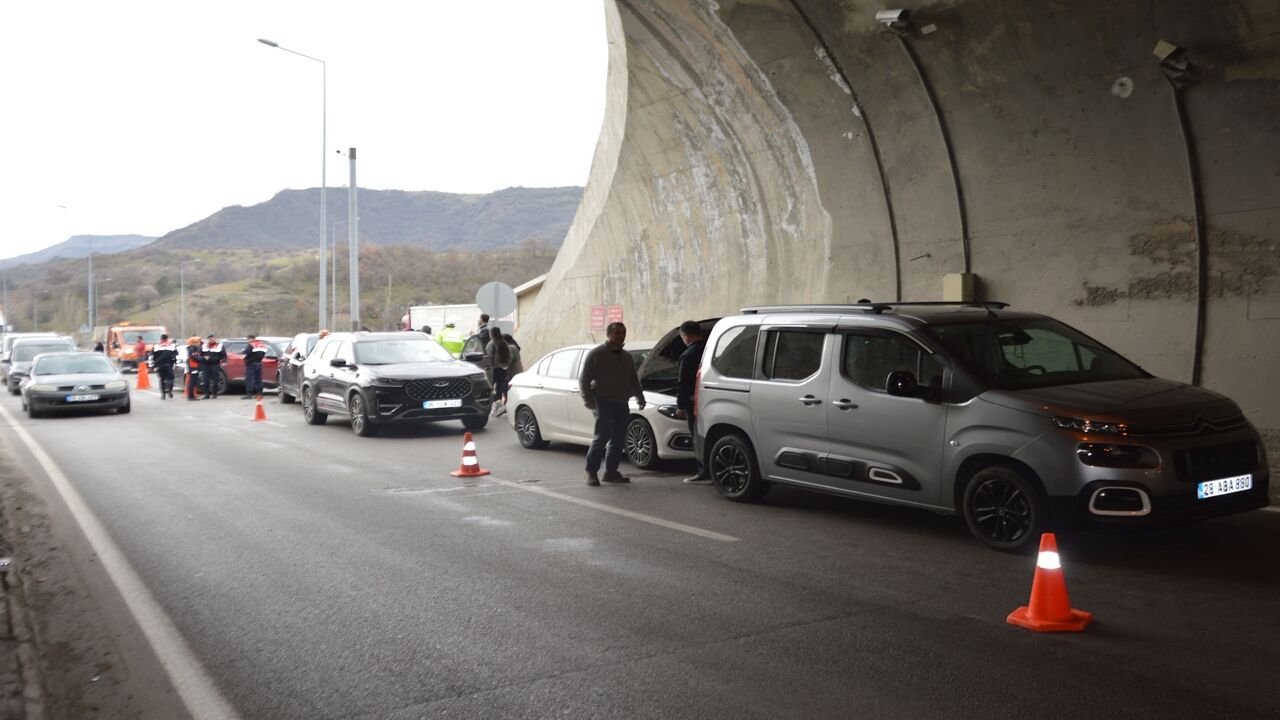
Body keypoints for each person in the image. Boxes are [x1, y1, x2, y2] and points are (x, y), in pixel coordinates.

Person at [579, 322, 645, 486]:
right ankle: (591, 472)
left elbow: (633, 379)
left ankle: (611, 472)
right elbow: (584, 379)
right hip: (603, 402)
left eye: (623, 333)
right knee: (601, 438)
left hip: (622, 402)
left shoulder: (627, 357)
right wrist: (587, 399)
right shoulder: (597, 354)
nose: (620, 336)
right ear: (609, 334)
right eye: (617, 333)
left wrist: (639, 396)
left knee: (618, 439)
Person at [674, 321, 710, 484]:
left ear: (685, 335)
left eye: (682, 337)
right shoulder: (710, 350)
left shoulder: (688, 355)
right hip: (711, 399)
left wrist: (680, 405)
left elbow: (683, 383)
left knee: (697, 435)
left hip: (693, 402)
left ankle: (703, 472)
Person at [485, 328, 512, 417]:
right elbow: (509, 357)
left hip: (493, 370)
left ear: (491, 334)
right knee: (499, 389)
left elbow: (488, 358)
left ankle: (490, 407)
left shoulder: (491, 344)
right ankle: (497, 408)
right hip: (503, 369)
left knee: (490, 388)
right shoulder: (504, 343)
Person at [151, 334, 179, 399]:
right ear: (167, 339)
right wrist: (176, 363)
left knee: (161, 379)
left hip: (159, 365)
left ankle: (163, 393)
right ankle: (169, 388)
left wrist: (152, 366)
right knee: (171, 378)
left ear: (161, 339)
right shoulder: (172, 346)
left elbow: (151, 356)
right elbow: (176, 356)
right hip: (169, 365)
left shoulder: (156, 346)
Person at [200, 334, 227, 399]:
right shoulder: (204, 346)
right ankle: (206, 394)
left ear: (215, 339)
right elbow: (200, 354)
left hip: (215, 365)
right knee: (205, 380)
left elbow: (224, 356)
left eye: (212, 338)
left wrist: (223, 362)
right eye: (209, 338)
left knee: (215, 381)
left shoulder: (219, 346)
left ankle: (214, 394)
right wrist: (203, 358)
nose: (211, 340)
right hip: (205, 365)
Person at [241, 334, 268, 399]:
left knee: (249, 379)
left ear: (251, 338)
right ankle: (259, 394)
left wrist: (243, 355)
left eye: (247, 339)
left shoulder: (251, 345)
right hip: (259, 363)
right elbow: (264, 353)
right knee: (258, 379)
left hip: (251, 364)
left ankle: (249, 394)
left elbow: (245, 353)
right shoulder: (262, 345)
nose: (247, 341)